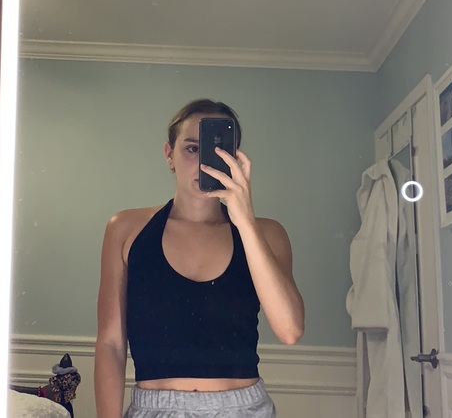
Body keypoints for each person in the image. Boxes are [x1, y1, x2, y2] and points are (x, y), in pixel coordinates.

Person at [94, 98, 305, 418]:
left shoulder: (266, 233)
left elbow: (290, 330)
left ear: (236, 158)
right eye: (192, 149)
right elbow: (111, 343)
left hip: (245, 410)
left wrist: (245, 220)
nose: (205, 163)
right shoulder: (126, 229)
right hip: (155, 409)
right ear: (169, 155)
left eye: (219, 151)